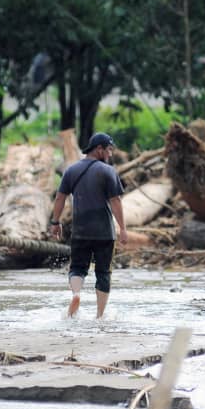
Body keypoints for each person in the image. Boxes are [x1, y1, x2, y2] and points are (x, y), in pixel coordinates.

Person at [50, 132, 128, 318]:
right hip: (104, 233)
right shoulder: (107, 171)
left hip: (80, 231)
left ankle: (76, 294)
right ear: (99, 149)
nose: (110, 154)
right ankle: (100, 316)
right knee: (103, 272)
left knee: (77, 268)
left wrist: (55, 222)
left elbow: (60, 197)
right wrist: (123, 228)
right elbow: (115, 201)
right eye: (108, 150)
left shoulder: (71, 170)